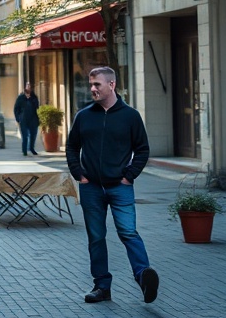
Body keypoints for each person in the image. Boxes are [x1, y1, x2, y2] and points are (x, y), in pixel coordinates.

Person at [66, 66, 159, 305]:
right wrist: (79, 173)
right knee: (96, 237)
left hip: (120, 186)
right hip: (91, 187)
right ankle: (102, 287)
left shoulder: (130, 116)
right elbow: (72, 147)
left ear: (112, 85)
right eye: (91, 85)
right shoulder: (84, 115)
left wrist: (129, 176)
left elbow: (142, 149)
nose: (93, 89)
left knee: (128, 232)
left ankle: (143, 277)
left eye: (97, 84)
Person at [14, 81, 41, 156]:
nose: (28, 87)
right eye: (27, 85)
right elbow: (16, 109)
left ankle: (32, 148)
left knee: (33, 135)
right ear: (25, 87)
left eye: (30, 86)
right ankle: (24, 150)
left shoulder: (34, 97)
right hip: (23, 120)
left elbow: (37, 107)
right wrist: (18, 118)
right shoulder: (20, 97)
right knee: (25, 136)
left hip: (33, 119)